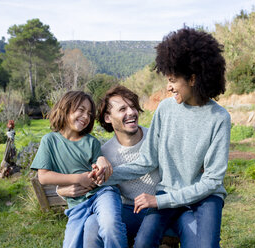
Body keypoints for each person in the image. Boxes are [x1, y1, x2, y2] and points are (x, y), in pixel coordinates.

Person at [102, 27, 231, 248]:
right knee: (143, 242)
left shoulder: (219, 118)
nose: (168, 86)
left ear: (192, 79)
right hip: (169, 191)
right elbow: (147, 161)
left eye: (172, 80)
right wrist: (108, 175)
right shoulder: (165, 109)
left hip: (205, 198)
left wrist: (158, 201)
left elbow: (211, 181)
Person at [57, 86, 191, 247]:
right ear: (108, 118)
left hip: (164, 208)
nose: (131, 112)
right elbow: (87, 179)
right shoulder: (104, 154)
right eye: (122, 109)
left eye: (133, 107)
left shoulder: (156, 138)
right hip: (130, 211)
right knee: (92, 224)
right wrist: (61, 191)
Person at [30, 91, 127, 248]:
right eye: (80, 110)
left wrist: (101, 165)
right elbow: (43, 177)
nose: (85, 116)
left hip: (102, 194)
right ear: (65, 108)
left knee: (111, 227)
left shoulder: (91, 142)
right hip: (76, 204)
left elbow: (99, 169)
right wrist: (78, 179)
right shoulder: (49, 141)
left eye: (89, 113)